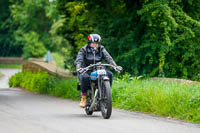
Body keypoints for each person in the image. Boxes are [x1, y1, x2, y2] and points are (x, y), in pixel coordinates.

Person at [74, 34, 122, 108]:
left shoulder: (101, 49)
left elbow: (108, 58)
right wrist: (79, 67)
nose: (94, 45)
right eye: (93, 43)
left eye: (96, 44)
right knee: (84, 77)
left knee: (109, 74)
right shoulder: (83, 49)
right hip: (86, 70)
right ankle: (84, 98)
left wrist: (115, 66)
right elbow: (79, 60)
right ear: (89, 43)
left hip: (98, 69)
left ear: (98, 44)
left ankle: (107, 94)